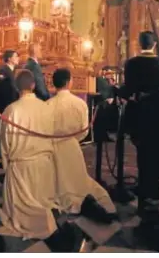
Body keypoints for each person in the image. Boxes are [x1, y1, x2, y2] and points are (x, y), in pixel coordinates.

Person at [47, 68, 117, 221]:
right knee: (78, 179)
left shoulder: (47, 105)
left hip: (52, 149)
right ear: (68, 82)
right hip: (72, 147)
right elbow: (84, 131)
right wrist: (73, 139)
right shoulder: (79, 103)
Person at [0, 70, 58, 239]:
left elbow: (4, 142)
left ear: (16, 87)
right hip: (44, 165)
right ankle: (44, 215)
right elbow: (51, 134)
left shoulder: (10, 110)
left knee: (21, 210)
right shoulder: (46, 107)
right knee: (42, 200)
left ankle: (38, 219)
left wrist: (7, 165)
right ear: (33, 85)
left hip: (20, 168)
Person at [122, 31, 159, 144]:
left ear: (140, 44)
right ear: (154, 44)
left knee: (140, 144)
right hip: (158, 111)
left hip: (137, 110)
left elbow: (128, 88)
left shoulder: (130, 63)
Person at [0, 49, 20, 167]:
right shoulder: (3, 71)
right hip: (4, 107)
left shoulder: (11, 71)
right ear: (9, 59)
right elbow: (3, 91)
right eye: (16, 56)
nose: (18, 58)